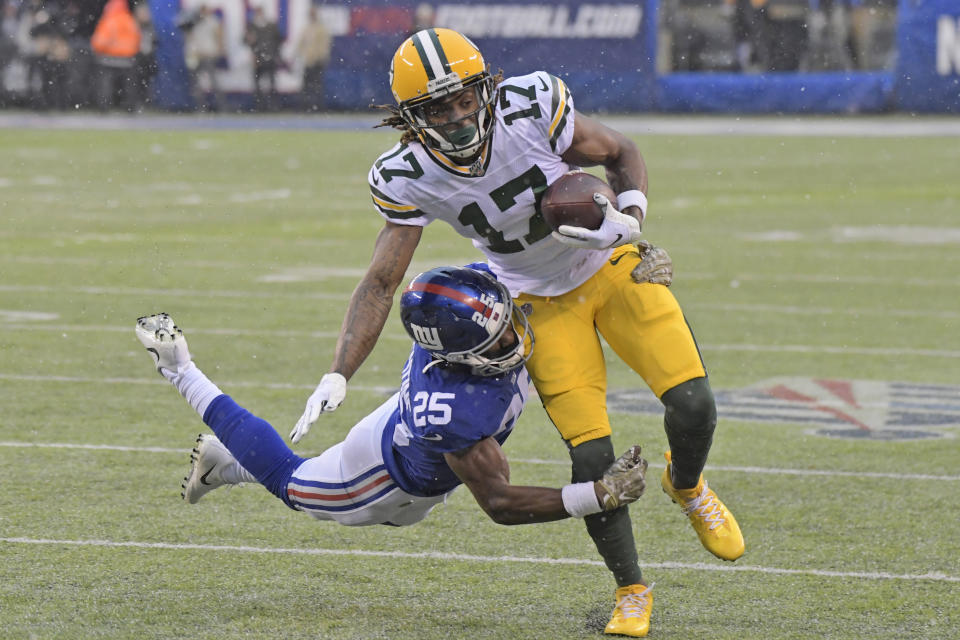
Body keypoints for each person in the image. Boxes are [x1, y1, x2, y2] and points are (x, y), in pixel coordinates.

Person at [293, 28, 744, 638]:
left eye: (463, 99)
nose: (456, 117)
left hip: (609, 270)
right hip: (534, 301)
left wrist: (629, 223)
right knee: (591, 457)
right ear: (409, 117)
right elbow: (381, 282)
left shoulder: (531, 105)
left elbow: (620, 151)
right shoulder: (407, 174)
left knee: (694, 404)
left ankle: (685, 484)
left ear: (487, 87)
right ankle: (632, 589)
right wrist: (338, 372)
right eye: (436, 108)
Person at [135, 267, 648, 541]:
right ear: (458, 357)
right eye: (496, 341)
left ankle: (223, 464)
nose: (514, 335)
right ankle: (181, 370)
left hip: (399, 426)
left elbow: (536, 266)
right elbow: (499, 504)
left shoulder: (470, 302)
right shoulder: (455, 416)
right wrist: (597, 495)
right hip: (381, 481)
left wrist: (625, 257)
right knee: (292, 481)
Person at [244, 6, 282, 111]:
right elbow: (245, 40)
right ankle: (260, 106)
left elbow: (278, 41)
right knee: (257, 84)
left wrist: (275, 54)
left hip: (270, 58)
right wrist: (249, 39)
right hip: (258, 58)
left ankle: (273, 106)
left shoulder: (271, 26)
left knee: (272, 83)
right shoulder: (252, 26)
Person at [293, 5, 330, 112]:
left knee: (316, 85)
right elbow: (301, 43)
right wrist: (297, 55)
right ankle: (306, 106)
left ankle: (317, 106)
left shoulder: (321, 28)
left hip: (317, 61)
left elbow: (324, 45)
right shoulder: (307, 28)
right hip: (308, 61)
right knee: (307, 85)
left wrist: (321, 57)